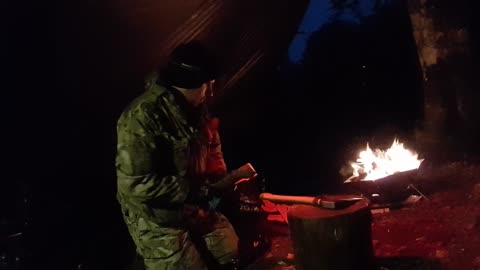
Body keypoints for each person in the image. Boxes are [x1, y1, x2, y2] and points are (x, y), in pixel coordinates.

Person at [115, 40, 257, 270]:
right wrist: (190, 188)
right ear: (187, 83)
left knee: (230, 250)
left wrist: (222, 180)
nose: (211, 91)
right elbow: (136, 186)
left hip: (193, 205)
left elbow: (212, 149)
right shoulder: (142, 117)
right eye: (206, 84)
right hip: (156, 215)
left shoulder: (198, 111)